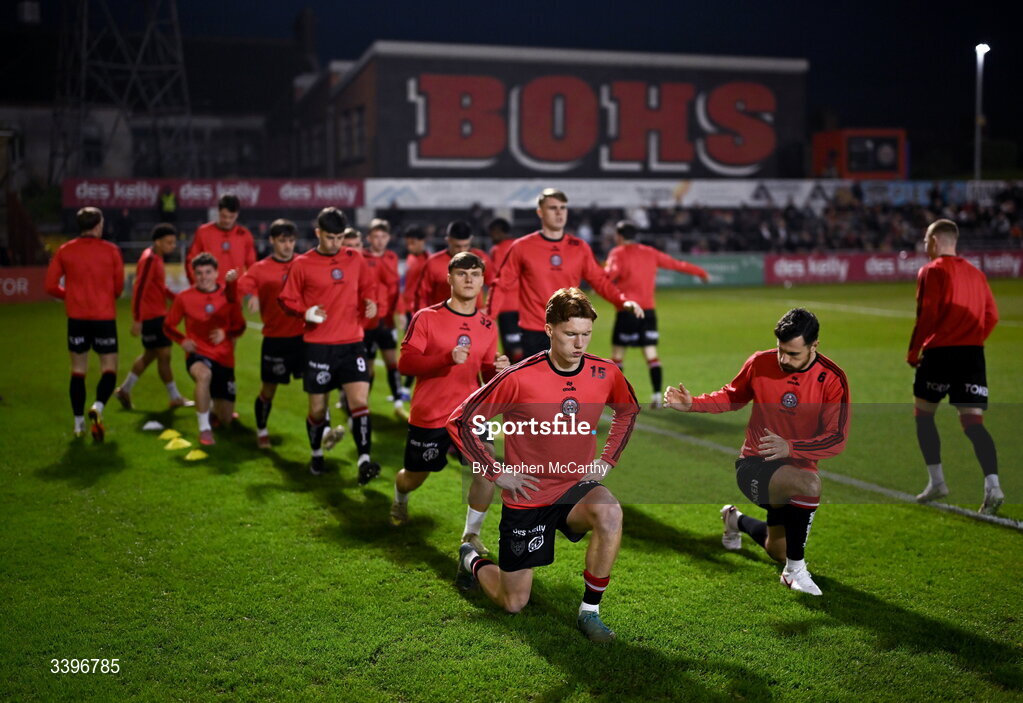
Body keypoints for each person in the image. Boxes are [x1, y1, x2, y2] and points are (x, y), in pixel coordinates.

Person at [449, 288, 640, 643]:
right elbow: (463, 419)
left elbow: (628, 412)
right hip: (528, 495)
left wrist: (606, 460)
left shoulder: (605, 373)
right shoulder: (519, 377)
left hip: (574, 488)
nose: (580, 343)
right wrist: (496, 471)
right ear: (549, 329)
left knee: (610, 511)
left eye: (586, 334)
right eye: (571, 334)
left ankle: (590, 612)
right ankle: (471, 559)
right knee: (513, 602)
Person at [664, 308, 849, 596]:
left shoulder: (833, 379)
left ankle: (734, 520)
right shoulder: (760, 362)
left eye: (793, 354)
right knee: (809, 486)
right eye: (781, 351)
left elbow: (836, 438)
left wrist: (791, 447)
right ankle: (794, 572)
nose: (784, 359)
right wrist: (693, 404)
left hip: (794, 473)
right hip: (754, 465)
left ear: (815, 346)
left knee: (779, 550)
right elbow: (733, 396)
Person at [390, 252, 509, 530]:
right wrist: (446, 358)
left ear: (482, 281)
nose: (469, 279)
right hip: (431, 414)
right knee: (413, 477)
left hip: (469, 413)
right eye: (462, 274)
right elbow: (405, 364)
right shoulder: (427, 318)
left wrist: (498, 369)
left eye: (475, 274)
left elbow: (486, 374)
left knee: (486, 469)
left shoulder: (488, 325)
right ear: (449, 278)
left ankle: (471, 538)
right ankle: (401, 496)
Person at [278, 207, 381, 481]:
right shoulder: (302, 264)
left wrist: (371, 303)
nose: (336, 243)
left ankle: (364, 460)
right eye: (330, 238)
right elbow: (286, 299)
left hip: (352, 343)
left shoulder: (355, 258)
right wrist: (305, 312)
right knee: (318, 409)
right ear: (318, 233)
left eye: (339, 238)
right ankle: (316, 454)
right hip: (318, 345)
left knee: (359, 401)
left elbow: (369, 287)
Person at [907, 219, 1002, 514]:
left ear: (935, 240)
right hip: (973, 355)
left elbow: (928, 313)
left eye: (925, 240)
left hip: (940, 353)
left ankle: (937, 481)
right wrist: (973, 340)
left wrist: (914, 349)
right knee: (973, 423)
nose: (925, 246)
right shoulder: (977, 273)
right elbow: (992, 316)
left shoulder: (932, 271)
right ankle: (993, 485)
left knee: (924, 415)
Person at [487, 189, 644, 358]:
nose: (559, 213)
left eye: (563, 208)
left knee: (568, 384)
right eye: (553, 208)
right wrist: (488, 319)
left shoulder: (579, 247)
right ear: (540, 212)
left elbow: (600, 281)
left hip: (569, 329)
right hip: (534, 331)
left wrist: (623, 302)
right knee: (534, 384)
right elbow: (501, 284)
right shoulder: (522, 247)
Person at [604, 220, 709, 408]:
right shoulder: (650, 252)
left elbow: (609, 274)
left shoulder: (617, 253)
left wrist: (600, 281)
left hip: (627, 310)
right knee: (651, 354)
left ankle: (618, 399)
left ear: (619, 236)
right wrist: (700, 272)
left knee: (618, 356)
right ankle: (656, 396)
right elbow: (677, 264)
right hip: (648, 312)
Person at [45, 206, 125, 440]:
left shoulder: (65, 250)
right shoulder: (111, 251)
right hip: (104, 318)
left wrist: (69, 295)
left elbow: (50, 286)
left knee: (78, 371)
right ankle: (98, 406)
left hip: (77, 319)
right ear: (99, 225)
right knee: (109, 369)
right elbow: (119, 289)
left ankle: (78, 424)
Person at [233, 219, 306, 449]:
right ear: (272, 241)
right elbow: (242, 285)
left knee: (318, 387)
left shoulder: (304, 263)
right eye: (283, 241)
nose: (288, 246)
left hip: (305, 338)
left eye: (291, 241)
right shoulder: (260, 268)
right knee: (268, 390)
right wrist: (252, 293)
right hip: (276, 339)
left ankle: (321, 435)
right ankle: (262, 430)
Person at [163, 253, 246, 446]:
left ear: (216, 272)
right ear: (193, 274)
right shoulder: (184, 298)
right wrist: (182, 340)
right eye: (199, 273)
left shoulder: (228, 296)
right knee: (203, 375)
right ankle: (204, 429)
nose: (203, 276)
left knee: (225, 419)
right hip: (198, 354)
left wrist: (225, 333)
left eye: (208, 272)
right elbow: (168, 325)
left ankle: (216, 411)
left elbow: (240, 326)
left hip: (224, 358)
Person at [114, 224, 191, 410]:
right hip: (152, 317)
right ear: (158, 242)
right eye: (169, 242)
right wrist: (138, 319)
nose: (172, 246)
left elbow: (158, 286)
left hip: (156, 314)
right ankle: (175, 397)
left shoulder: (155, 257)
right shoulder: (150, 259)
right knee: (164, 355)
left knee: (151, 355)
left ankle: (125, 389)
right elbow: (139, 288)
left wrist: (176, 298)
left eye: (173, 242)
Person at [363, 218, 407, 419]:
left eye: (383, 236)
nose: (380, 240)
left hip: (386, 319)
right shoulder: (361, 257)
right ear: (369, 238)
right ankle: (361, 403)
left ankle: (398, 402)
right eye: (376, 236)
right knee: (367, 367)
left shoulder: (391, 258)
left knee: (392, 362)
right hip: (366, 321)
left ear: (388, 238)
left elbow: (395, 289)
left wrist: (400, 312)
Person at [415, 220, 494, 311]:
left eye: (465, 246)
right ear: (448, 240)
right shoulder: (433, 263)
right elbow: (421, 295)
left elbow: (495, 286)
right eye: (457, 246)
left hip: (474, 319)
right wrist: (423, 318)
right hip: (443, 318)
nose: (462, 250)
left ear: (471, 240)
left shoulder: (481, 258)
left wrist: (490, 310)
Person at [186, 194, 256, 284]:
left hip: (236, 290)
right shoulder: (203, 232)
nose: (227, 220)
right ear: (218, 212)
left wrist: (248, 288)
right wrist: (196, 284)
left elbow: (252, 266)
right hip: (209, 289)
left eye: (231, 217)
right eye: (224, 216)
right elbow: (191, 261)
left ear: (237, 214)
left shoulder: (245, 235)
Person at [487, 217, 523, 363]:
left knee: (513, 348)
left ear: (498, 232)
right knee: (516, 346)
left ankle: (518, 379)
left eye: (492, 233)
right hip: (524, 305)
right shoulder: (520, 246)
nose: (491, 237)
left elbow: (495, 278)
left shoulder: (497, 250)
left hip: (506, 306)